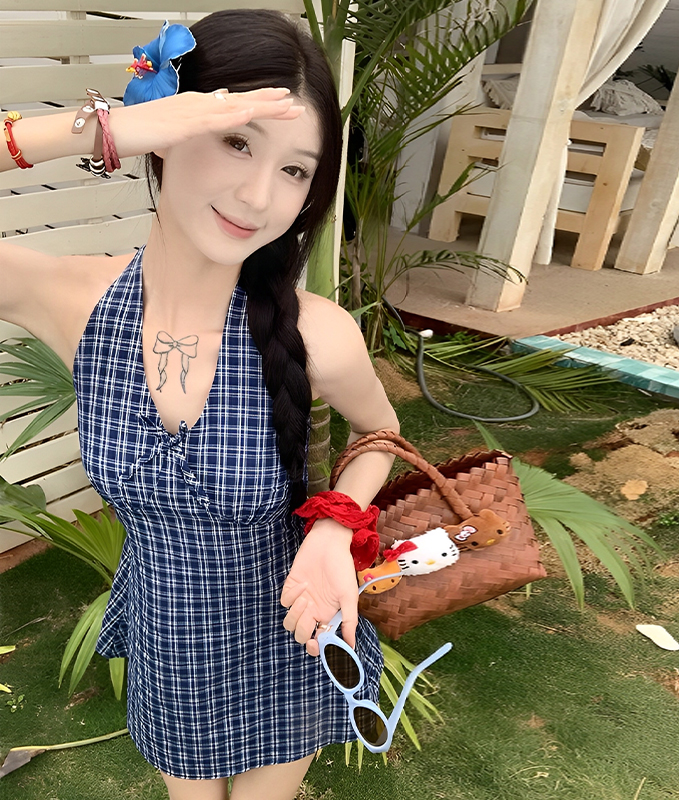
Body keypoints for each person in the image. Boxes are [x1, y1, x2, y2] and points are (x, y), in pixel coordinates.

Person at [0, 9, 399, 800]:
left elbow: (380, 433)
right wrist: (106, 129)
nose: (258, 195)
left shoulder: (318, 332)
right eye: (237, 141)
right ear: (169, 128)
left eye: (296, 170)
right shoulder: (72, 301)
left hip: (296, 636)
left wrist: (335, 526)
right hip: (170, 650)